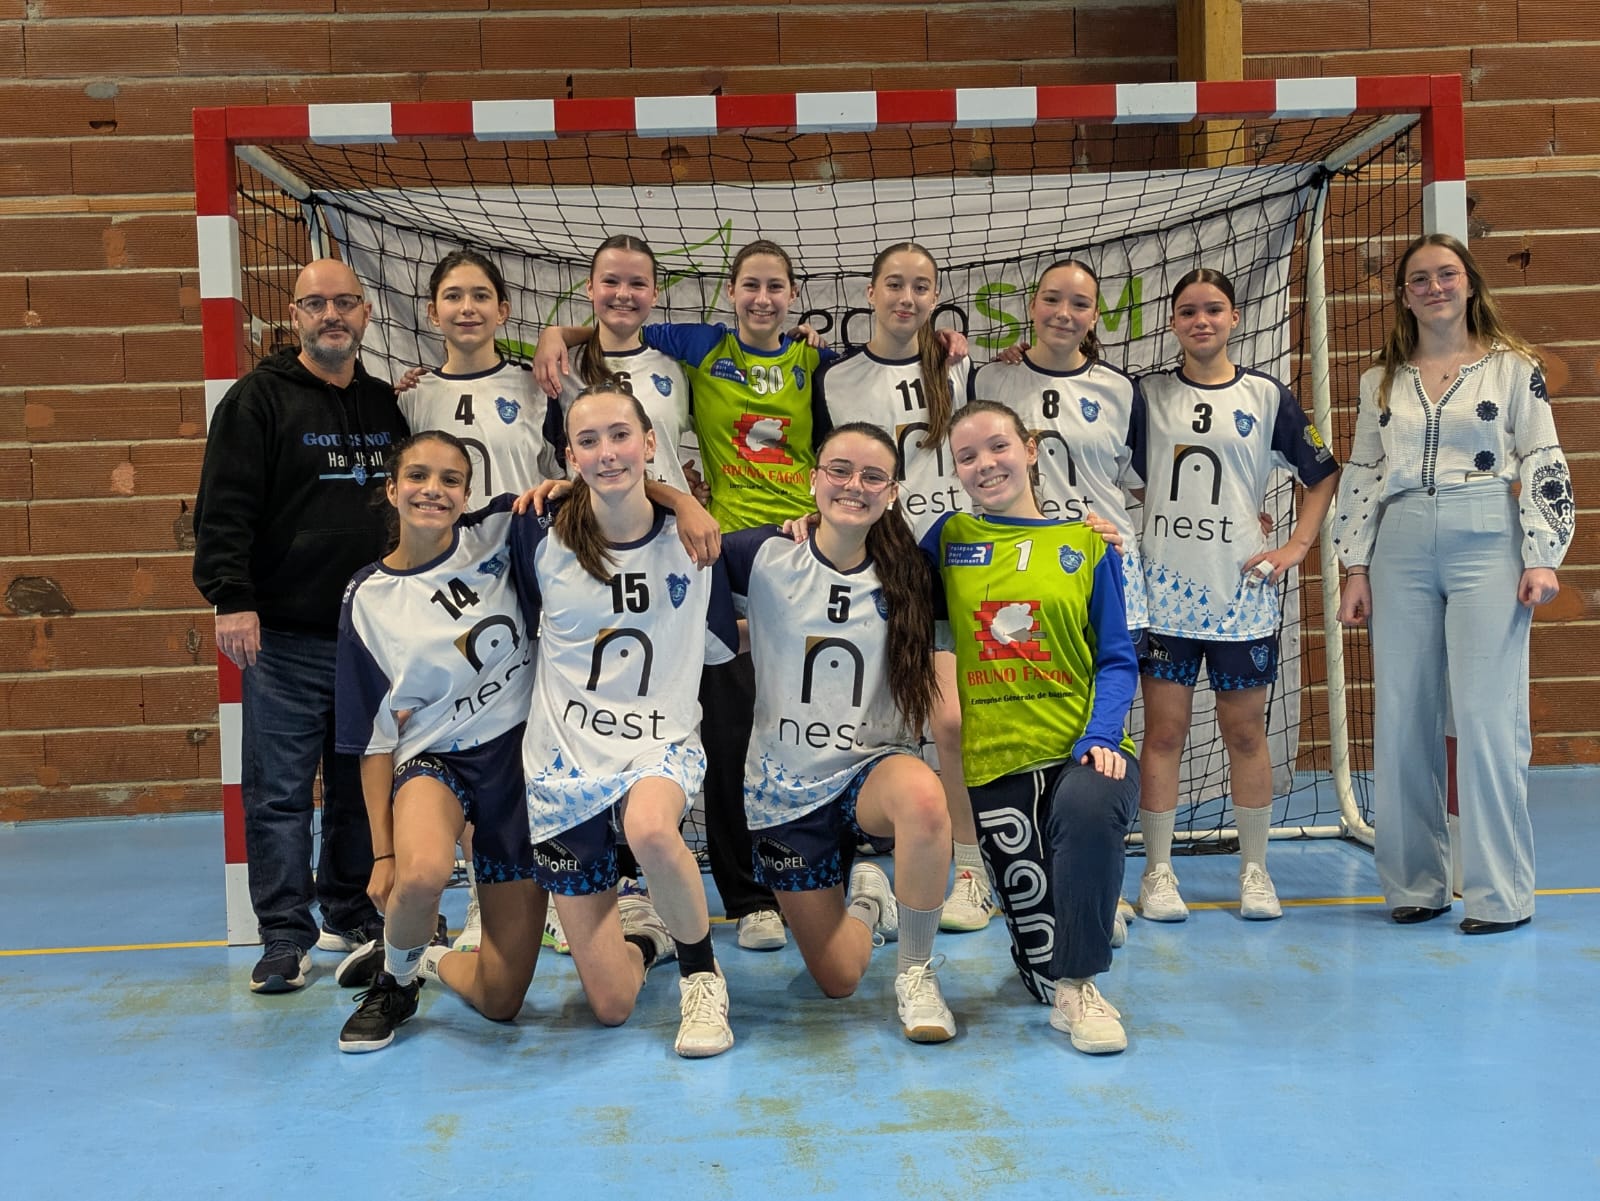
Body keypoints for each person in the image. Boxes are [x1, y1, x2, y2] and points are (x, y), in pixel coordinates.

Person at [535, 238, 834, 953]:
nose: (623, 294)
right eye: (610, 282)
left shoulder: (683, 359)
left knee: (728, 723)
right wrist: (556, 333)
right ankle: (618, 891)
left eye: (638, 283)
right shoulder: (559, 368)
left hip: (691, 559)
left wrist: (682, 503)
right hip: (602, 573)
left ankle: (750, 891)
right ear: (589, 286)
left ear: (656, 293)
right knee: (611, 731)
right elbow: (570, 465)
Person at [1334, 233, 1572, 935]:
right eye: (1419, 279)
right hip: (1400, 545)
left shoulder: (1513, 369)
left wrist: (1541, 552)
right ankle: (1415, 883)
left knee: (1487, 717)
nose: (1434, 287)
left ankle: (1500, 894)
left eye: (1446, 274)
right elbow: (1362, 473)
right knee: (1403, 713)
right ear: (1404, 294)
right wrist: (1354, 563)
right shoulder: (1379, 380)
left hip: (1487, 538)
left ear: (1469, 284)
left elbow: (1544, 455)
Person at [193, 258, 408, 993]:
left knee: (358, 787)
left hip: (371, 640)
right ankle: (284, 934)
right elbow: (223, 505)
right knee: (281, 791)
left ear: (367, 312)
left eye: (344, 302)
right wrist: (230, 595)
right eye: (316, 303)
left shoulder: (384, 404)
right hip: (283, 635)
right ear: (294, 316)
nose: (331, 315)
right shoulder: (257, 400)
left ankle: (351, 909)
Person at [509, 382, 741, 1057]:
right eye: (589, 440)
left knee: (649, 827)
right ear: (568, 456)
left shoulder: (695, 541)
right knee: (610, 1005)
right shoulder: (532, 527)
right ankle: (646, 931)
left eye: (620, 435)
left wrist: (683, 497)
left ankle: (703, 976)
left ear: (649, 442)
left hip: (658, 742)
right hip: (564, 757)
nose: (607, 452)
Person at [722, 422, 957, 1042]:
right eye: (840, 470)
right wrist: (680, 498)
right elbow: (654, 545)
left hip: (868, 770)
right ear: (813, 478)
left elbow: (1010, 554)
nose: (855, 486)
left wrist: (1094, 534)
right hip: (785, 793)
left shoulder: (915, 571)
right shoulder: (760, 553)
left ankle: (915, 972)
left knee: (924, 798)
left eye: (873, 476)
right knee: (840, 979)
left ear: (894, 492)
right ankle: (869, 897)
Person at [922, 400, 1141, 1054]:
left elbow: (1118, 656)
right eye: (968, 456)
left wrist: (1101, 734)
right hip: (996, 762)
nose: (985, 464)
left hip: (1082, 749)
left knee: (1086, 805)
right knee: (1038, 967)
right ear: (956, 468)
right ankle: (1071, 933)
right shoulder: (948, 537)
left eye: (997, 447)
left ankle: (1085, 983)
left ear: (1030, 448)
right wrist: (799, 526)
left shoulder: (1085, 541)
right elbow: (861, 559)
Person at [1132, 268, 1339, 923]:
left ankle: (1256, 870)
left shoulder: (1266, 394)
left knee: (1244, 732)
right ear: (1172, 322)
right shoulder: (1147, 395)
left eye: (1213, 309)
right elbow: (1126, 474)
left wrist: (1297, 545)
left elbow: (1322, 474)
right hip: (1165, 591)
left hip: (1241, 593)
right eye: (1188, 310)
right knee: (1162, 733)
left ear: (1234, 317)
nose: (1201, 320)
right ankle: (1158, 873)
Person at [333, 431, 545, 1051]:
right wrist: (381, 855)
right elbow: (372, 741)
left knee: (502, 1000)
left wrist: (687, 503)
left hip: (518, 759)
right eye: (418, 477)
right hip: (435, 759)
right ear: (392, 489)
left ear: (467, 493)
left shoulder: (501, 529)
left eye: (451, 480)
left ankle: (422, 957)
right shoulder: (367, 599)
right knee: (421, 875)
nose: (434, 490)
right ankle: (396, 985)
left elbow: (601, 491)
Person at [814, 242, 994, 935]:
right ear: (869, 290)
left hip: (950, 562)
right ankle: (863, 869)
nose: (907, 297)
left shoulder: (956, 362)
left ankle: (973, 873)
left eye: (922, 286)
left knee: (948, 723)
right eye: (894, 283)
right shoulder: (833, 376)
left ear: (936, 295)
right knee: (865, 723)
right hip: (873, 564)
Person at [972, 258, 1148, 941]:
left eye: (1079, 303)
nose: (1063, 312)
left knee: (1099, 724)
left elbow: (1134, 481)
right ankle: (995, 874)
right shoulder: (992, 378)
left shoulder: (1119, 387)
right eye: (1052, 299)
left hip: (1097, 562)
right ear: (1032, 306)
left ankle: (1102, 880)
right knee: (1024, 723)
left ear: (1095, 316)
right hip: (1019, 571)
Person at [397, 248, 563, 954]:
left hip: (529, 580)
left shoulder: (538, 388)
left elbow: (565, 479)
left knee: (542, 732)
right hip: (451, 595)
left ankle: (563, 888)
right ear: (432, 312)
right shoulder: (408, 399)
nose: (467, 308)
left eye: (480, 296)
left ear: (504, 310)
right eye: (453, 297)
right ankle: (479, 900)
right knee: (475, 741)